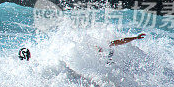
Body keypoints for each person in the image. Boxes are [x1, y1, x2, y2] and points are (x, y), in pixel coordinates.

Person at [18, 33, 146, 61]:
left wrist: (135, 38)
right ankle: (28, 58)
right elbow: (119, 41)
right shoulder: (88, 48)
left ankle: (28, 58)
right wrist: (135, 38)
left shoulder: (104, 50)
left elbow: (120, 41)